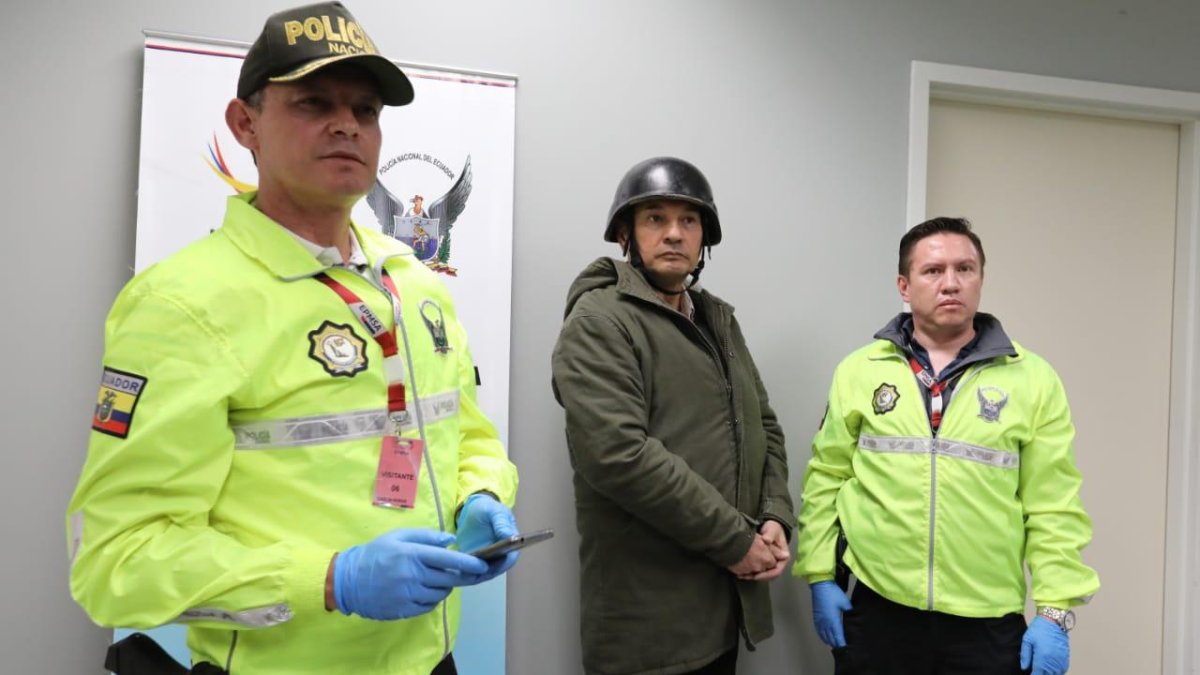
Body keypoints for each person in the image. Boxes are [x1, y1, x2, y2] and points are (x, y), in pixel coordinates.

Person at [66, 4, 519, 673]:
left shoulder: (415, 284)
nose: (347, 125)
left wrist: (481, 495)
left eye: (365, 110)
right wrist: (331, 580)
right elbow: (117, 559)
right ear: (244, 124)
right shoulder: (182, 304)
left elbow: (468, 434)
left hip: (432, 660)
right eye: (313, 102)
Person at [794, 217, 1099, 675]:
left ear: (981, 279)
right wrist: (820, 574)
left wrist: (1054, 611)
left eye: (965, 269)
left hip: (986, 622)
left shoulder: (1033, 379)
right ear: (904, 285)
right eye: (933, 271)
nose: (951, 283)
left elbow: (1054, 504)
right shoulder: (859, 371)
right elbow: (827, 478)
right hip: (879, 612)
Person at [551, 157, 794, 675]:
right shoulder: (599, 320)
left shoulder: (717, 320)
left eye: (689, 220)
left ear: (704, 238)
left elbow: (763, 426)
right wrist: (737, 542)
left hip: (723, 609)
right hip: (647, 627)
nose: (674, 233)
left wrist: (774, 514)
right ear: (626, 234)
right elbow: (618, 455)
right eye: (655, 219)